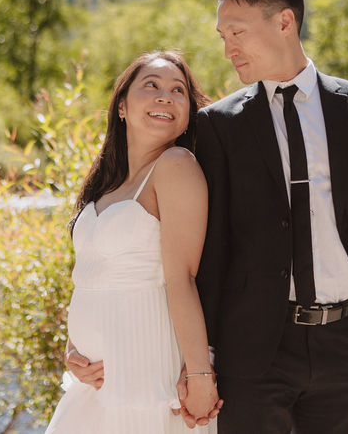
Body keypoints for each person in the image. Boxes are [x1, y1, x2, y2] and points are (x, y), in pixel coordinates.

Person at [184, 0, 348, 433]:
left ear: (284, 22)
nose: (228, 49)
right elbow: (213, 246)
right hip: (254, 349)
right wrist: (205, 354)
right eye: (223, 36)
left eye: (237, 32)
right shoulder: (218, 125)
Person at [46, 51, 222, 433]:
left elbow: (183, 279)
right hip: (93, 382)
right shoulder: (107, 183)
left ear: (188, 112)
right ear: (122, 106)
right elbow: (91, 277)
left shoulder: (176, 165)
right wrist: (73, 350)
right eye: (152, 86)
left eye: (178, 90)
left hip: (146, 370)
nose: (165, 96)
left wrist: (199, 376)